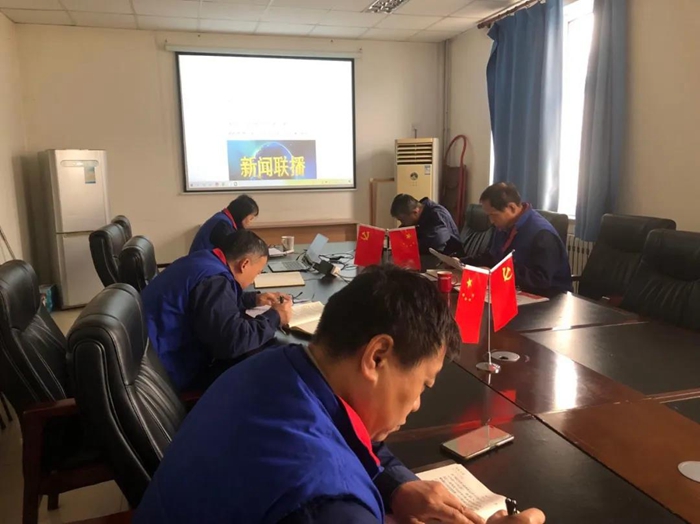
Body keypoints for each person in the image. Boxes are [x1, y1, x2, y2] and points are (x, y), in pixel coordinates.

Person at [135, 265, 545, 524]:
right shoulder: (328, 504)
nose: (418, 404)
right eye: (423, 384)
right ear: (377, 356)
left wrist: (397, 487)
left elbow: (350, 439)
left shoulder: (272, 368)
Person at [142, 230, 291, 391]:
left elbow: (213, 303)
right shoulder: (214, 282)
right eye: (257, 272)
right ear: (244, 264)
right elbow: (232, 342)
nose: (255, 278)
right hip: (171, 371)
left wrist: (253, 299)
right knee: (266, 365)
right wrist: (275, 316)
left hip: (151, 356)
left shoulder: (205, 260)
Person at [464, 183, 572, 297]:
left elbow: (540, 279)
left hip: (550, 298)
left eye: (493, 215)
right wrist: (462, 263)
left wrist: (498, 273)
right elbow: (493, 256)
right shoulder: (503, 227)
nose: (491, 221)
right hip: (515, 290)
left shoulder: (542, 234)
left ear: (512, 208)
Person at [391, 194, 463, 256]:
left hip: (449, 257)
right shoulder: (421, 212)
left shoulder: (437, 214)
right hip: (432, 256)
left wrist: (408, 245)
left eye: (403, 220)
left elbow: (436, 244)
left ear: (415, 212)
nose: (403, 223)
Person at [189, 194, 259, 254]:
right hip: (203, 263)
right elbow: (233, 253)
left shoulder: (223, 218)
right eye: (251, 218)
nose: (250, 222)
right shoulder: (222, 225)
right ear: (242, 214)